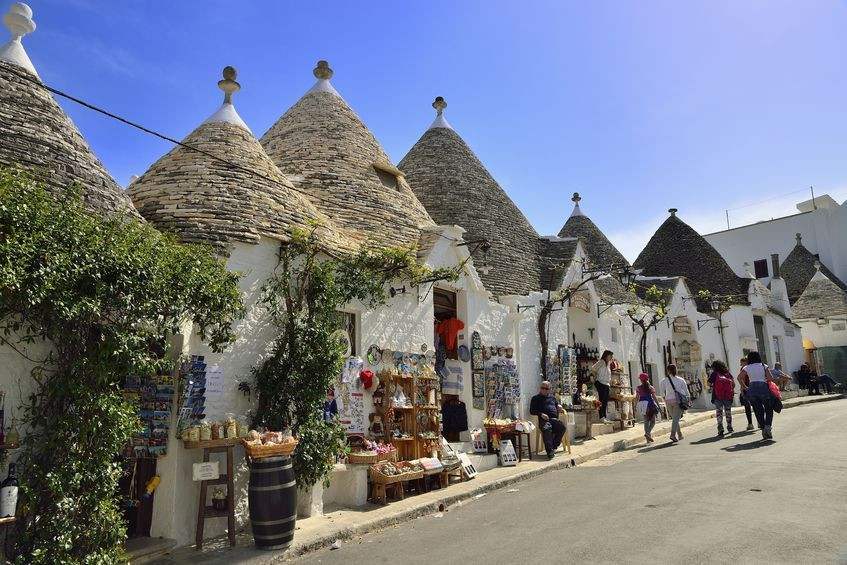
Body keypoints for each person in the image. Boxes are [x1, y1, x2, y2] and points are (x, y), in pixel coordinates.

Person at [737, 351, 775, 440]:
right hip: (763, 387)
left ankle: (762, 429)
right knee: (768, 408)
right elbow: (770, 378)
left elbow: (739, 377)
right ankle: (768, 427)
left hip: (752, 388)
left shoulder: (746, 367)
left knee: (758, 410)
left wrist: (745, 387)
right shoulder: (763, 366)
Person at [530, 381, 565, 460]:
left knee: (562, 427)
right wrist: (541, 414)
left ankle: (553, 446)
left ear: (549, 389)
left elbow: (557, 404)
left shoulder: (552, 397)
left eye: (546, 388)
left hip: (554, 419)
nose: (544, 390)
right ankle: (549, 451)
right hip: (544, 420)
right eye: (542, 388)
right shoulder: (535, 398)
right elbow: (532, 411)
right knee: (547, 428)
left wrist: (559, 406)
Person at [660, 364, 688, 442]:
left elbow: (662, 391)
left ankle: (680, 434)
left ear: (668, 371)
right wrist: (687, 398)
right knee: (676, 419)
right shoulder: (681, 380)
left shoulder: (664, 380)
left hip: (668, 401)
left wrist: (665, 398)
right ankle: (672, 434)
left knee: (674, 419)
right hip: (677, 401)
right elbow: (686, 392)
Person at [708, 360, 735, 436]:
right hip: (728, 396)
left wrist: (714, 386)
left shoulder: (714, 374)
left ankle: (720, 428)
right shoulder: (728, 373)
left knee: (719, 412)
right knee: (728, 412)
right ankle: (730, 427)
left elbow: (708, 383)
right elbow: (733, 383)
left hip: (717, 396)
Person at [591, 350, 614, 424]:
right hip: (600, 383)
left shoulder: (608, 364)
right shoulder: (602, 362)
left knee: (605, 402)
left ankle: (604, 416)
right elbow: (593, 368)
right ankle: (601, 417)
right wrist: (595, 377)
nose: (611, 357)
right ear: (606, 355)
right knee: (601, 401)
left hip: (606, 384)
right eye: (610, 356)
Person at [636, 373, 660, 443]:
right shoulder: (651, 387)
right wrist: (658, 405)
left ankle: (647, 439)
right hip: (650, 404)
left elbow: (637, 397)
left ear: (641, 380)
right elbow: (654, 397)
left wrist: (635, 406)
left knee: (646, 422)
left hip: (642, 404)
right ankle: (647, 433)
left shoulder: (638, 388)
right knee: (653, 422)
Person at [738, 357, 754, 431]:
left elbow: (742, 379)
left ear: (745, 362)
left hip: (746, 389)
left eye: (741, 362)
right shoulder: (751, 368)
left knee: (747, 407)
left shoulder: (744, 369)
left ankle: (750, 424)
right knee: (756, 406)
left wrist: (742, 389)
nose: (740, 364)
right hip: (753, 387)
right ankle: (760, 422)